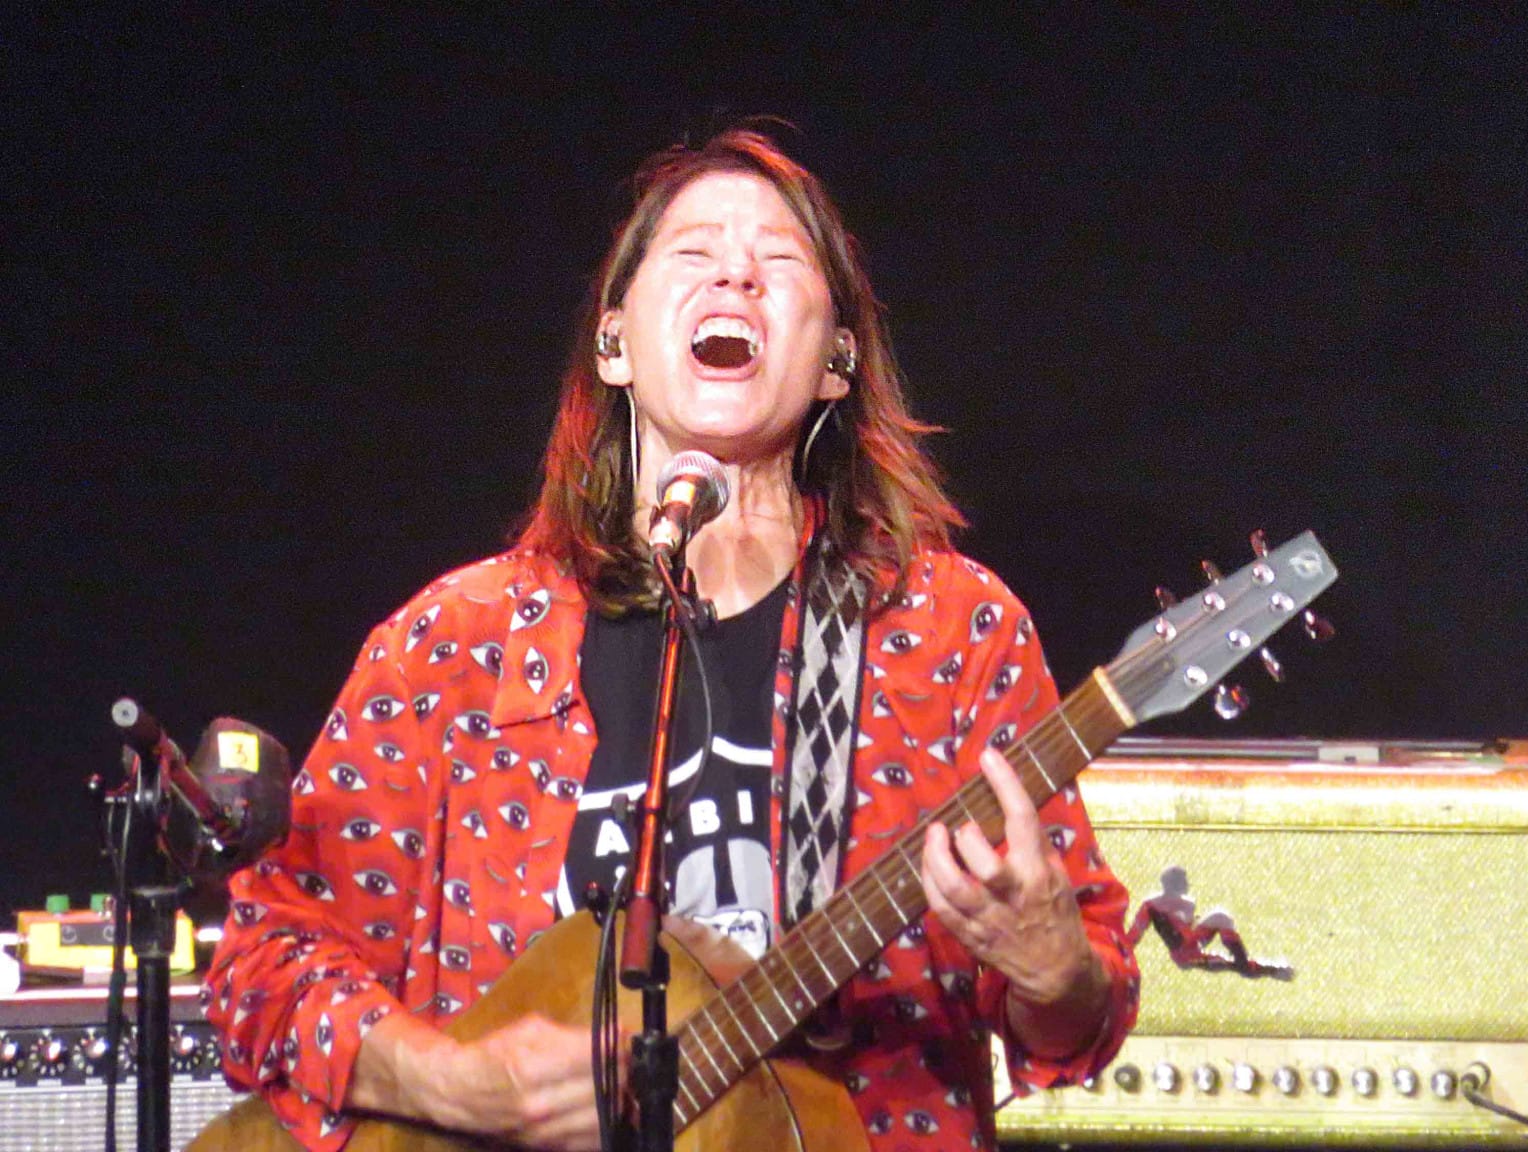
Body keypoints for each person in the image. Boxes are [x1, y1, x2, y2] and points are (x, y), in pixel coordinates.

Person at [202, 129, 1139, 1152]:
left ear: (836, 365)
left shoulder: (950, 633)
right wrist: (453, 1083)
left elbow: (1071, 1022)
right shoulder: (452, 644)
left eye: (780, 261)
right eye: (693, 252)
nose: (737, 269)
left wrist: (1057, 972)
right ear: (613, 344)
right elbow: (266, 960)